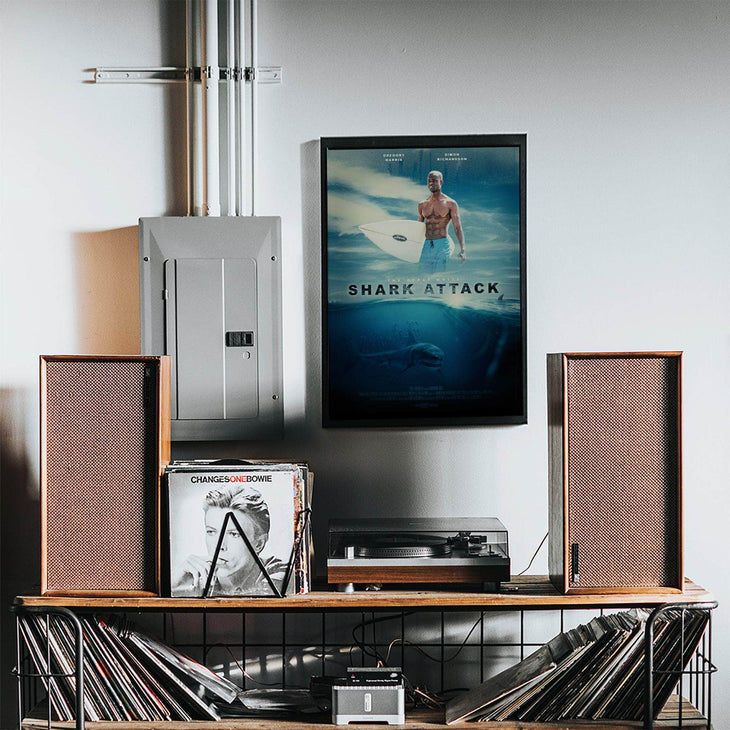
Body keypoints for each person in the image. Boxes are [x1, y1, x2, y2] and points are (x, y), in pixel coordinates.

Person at [172, 484, 288, 597]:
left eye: (234, 534)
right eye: (211, 532)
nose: (219, 546)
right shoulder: (197, 578)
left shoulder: (282, 574)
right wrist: (172, 585)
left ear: (259, 544)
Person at [417, 170, 466, 273]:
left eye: (435, 180)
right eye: (429, 181)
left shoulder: (450, 203)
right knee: (423, 275)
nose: (431, 183)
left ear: (441, 182)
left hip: (442, 244)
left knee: (439, 275)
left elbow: (457, 227)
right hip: (427, 244)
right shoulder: (422, 204)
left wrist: (463, 249)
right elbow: (419, 227)